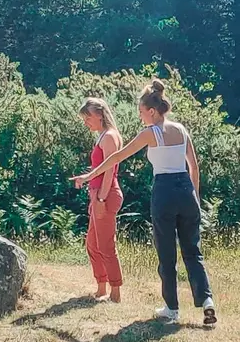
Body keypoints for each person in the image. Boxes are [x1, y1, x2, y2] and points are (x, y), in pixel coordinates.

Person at [72, 79, 216, 326]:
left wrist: (89, 175)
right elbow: (194, 167)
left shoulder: (151, 133)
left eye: (141, 111)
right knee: (193, 251)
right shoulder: (181, 129)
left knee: (166, 251)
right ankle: (207, 301)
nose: (139, 116)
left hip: (164, 191)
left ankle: (172, 309)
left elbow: (117, 157)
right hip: (186, 190)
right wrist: (195, 197)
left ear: (152, 111)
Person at [78, 97, 124, 302]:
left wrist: (102, 200)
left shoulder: (110, 137)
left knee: (105, 245)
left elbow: (110, 171)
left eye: (88, 118)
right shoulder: (102, 136)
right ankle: (101, 287)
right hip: (97, 193)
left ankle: (115, 291)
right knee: (92, 243)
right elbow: (99, 169)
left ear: (99, 114)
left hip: (106, 194)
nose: (86, 122)